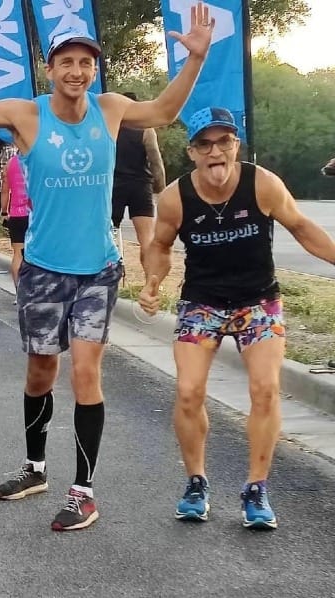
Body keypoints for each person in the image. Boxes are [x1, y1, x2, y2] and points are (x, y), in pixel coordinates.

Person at [0, 0, 215, 531]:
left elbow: (165, 112)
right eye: (67, 63)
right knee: (40, 372)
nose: (77, 72)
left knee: (84, 373)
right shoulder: (24, 115)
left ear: (94, 70)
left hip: (98, 268)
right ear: (49, 70)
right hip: (43, 269)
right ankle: (35, 468)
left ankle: (84, 490)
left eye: (86, 64)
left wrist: (194, 60)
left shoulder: (112, 109)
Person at [138, 106, 335, 530]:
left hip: (257, 302)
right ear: (192, 152)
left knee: (265, 389)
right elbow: (160, 244)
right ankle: (196, 482)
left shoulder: (261, 184)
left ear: (235, 146)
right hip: (202, 303)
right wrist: (153, 282)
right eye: (205, 144)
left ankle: (256, 488)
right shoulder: (175, 196)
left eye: (223, 141)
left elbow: (301, 227)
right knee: (189, 391)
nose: (215, 152)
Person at [111, 92, 167, 269]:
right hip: (141, 186)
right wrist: (160, 189)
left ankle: (109, 279)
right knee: (147, 240)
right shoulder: (146, 129)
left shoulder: (110, 127)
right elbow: (155, 162)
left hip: (114, 187)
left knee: (108, 238)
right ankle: (151, 282)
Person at [0, 151, 31, 286]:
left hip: (17, 215)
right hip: (35, 215)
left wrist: (4, 212)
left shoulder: (10, 163)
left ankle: (19, 293)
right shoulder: (36, 162)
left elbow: (5, 191)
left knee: (18, 254)